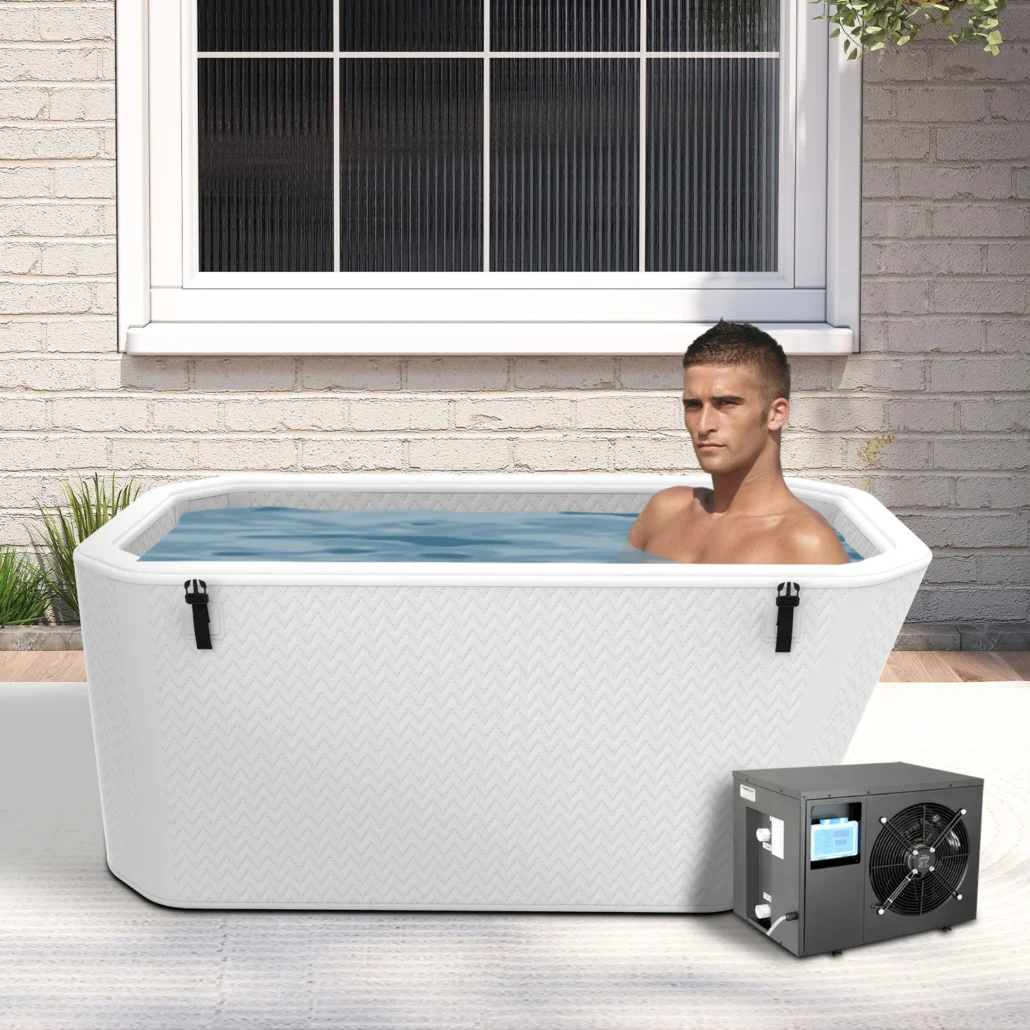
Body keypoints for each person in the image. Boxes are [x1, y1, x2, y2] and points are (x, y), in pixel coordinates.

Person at [625, 319, 851, 565]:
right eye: (693, 405)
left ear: (776, 414)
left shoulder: (807, 543)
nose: (703, 426)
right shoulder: (664, 512)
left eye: (726, 403)